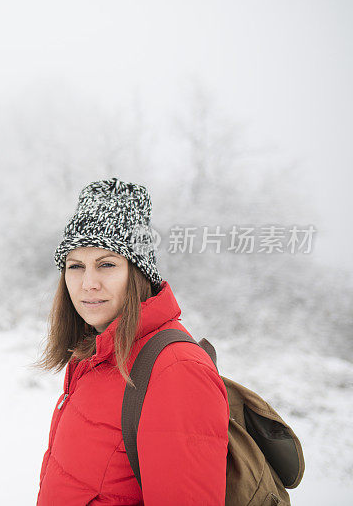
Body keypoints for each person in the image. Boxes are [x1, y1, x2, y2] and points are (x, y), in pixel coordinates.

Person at [35, 177, 229, 505]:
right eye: (75, 266)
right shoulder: (93, 356)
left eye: (107, 264)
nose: (88, 283)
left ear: (138, 272)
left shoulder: (175, 370)